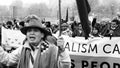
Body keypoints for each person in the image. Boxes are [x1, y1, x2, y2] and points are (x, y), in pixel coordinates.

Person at [0, 15, 71, 68]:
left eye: (35, 30)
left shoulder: (52, 49)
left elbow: (65, 66)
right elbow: (7, 60)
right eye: (29, 31)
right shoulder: (22, 49)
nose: (32, 33)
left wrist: (62, 50)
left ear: (42, 35)